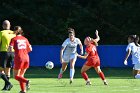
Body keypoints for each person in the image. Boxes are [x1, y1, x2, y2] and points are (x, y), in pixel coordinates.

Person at [9, 26, 32, 93]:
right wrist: (24, 51)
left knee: (15, 76)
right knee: (21, 76)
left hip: (19, 58)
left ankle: (26, 81)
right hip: (26, 58)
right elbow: (30, 49)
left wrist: (13, 52)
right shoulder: (25, 39)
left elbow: (10, 49)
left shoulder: (14, 39)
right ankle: (23, 90)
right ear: (21, 31)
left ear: (15, 31)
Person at [0, 20, 15, 90]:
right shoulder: (14, 33)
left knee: (1, 71)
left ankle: (8, 83)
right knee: (8, 70)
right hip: (12, 53)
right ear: (10, 26)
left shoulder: (1, 33)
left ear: (3, 26)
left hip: (4, 52)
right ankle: (6, 87)